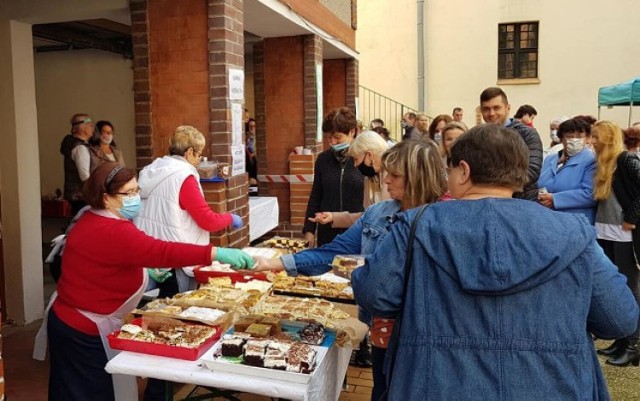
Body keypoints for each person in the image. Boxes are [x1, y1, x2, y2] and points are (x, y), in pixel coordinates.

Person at [351, 124, 639, 400]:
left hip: (435, 386)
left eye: (449, 168)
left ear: (462, 171)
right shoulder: (574, 233)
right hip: (553, 386)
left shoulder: (416, 226)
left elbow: (374, 294)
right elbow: (619, 317)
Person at [37, 162, 253, 401]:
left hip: (73, 320)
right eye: (128, 193)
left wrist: (146, 273)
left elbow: (104, 263)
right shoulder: (111, 228)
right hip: (81, 329)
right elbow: (161, 250)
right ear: (106, 198)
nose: (135, 198)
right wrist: (215, 253)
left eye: (137, 191)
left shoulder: (92, 216)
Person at [253, 140, 447, 400]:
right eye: (386, 172)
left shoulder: (446, 220)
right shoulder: (377, 214)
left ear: (417, 177)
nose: (385, 180)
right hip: (381, 330)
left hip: (426, 335)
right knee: (382, 390)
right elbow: (332, 252)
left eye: (395, 175)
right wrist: (276, 263)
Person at [135, 125, 244, 296]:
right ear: (189, 152)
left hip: (153, 253)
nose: (200, 159)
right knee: (175, 310)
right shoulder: (182, 176)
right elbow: (207, 220)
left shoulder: (151, 170)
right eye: (199, 154)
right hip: (176, 256)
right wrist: (230, 218)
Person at [592, 120, 640, 367]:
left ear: (607, 138)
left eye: (595, 137)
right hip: (606, 230)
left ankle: (633, 344)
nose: (591, 141)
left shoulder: (626, 160)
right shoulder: (603, 163)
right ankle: (622, 341)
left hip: (623, 233)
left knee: (629, 286)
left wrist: (632, 217)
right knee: (615, 284)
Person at [302, 108, 365, 248]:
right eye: (329, 138)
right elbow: (315, 195)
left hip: (356, 231)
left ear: (352, 132)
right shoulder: (323, 159)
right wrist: (309, 229)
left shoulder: (363, 160)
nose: (333, 142)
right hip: (327, 232)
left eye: (337, 137)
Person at [309, 130, 390, 229]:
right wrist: (333, 217)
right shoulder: (371, 179)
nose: (355, 165)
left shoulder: (392, 176)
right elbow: (367, 217)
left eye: (356, 159)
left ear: (369, 155)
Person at [479, 87, 543, 200]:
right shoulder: (478, 137)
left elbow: (531, 171)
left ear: (507, 108)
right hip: (488, 202)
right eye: (486, 109)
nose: (491, 113)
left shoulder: (527, 134)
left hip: (522, 203)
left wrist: (493, 185)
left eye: (496, 108)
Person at [537, 118, 597, 223]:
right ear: (561, 139)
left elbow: (590, 194)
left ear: (588, 138)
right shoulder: (550, 159)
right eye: (569, 136)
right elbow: (540, 183)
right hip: (548, 219)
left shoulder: (591, 160)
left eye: (579, 136)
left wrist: (555, 199)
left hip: (576, 222)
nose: (574, 140)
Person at [60, 113, 94, 215]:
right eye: (88, 123)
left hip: (77, 196)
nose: (92, 126)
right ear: (79, 127)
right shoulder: (80, 148)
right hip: (82, 196)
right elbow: (85, 176)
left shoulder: (73, 144)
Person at [245, 118, 258, 185]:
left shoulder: (259, 138)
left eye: (254, 126)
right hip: (248, 164)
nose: (252, 128)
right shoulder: (246, 138)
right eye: (250, 126)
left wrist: (254, 153)